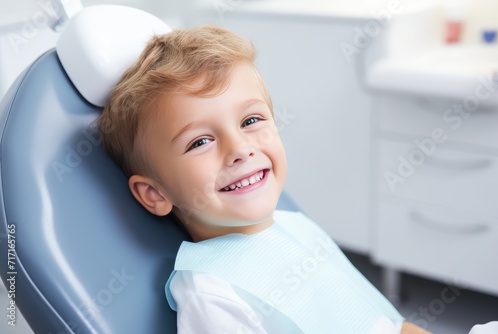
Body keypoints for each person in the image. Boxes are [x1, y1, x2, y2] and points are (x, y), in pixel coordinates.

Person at [97, 24, 431, 333]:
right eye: (200, 142)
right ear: (154, 193)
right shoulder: (213, 293)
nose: (240, 148)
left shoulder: (298, 229)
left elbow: (385, 323)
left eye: (251, 120)